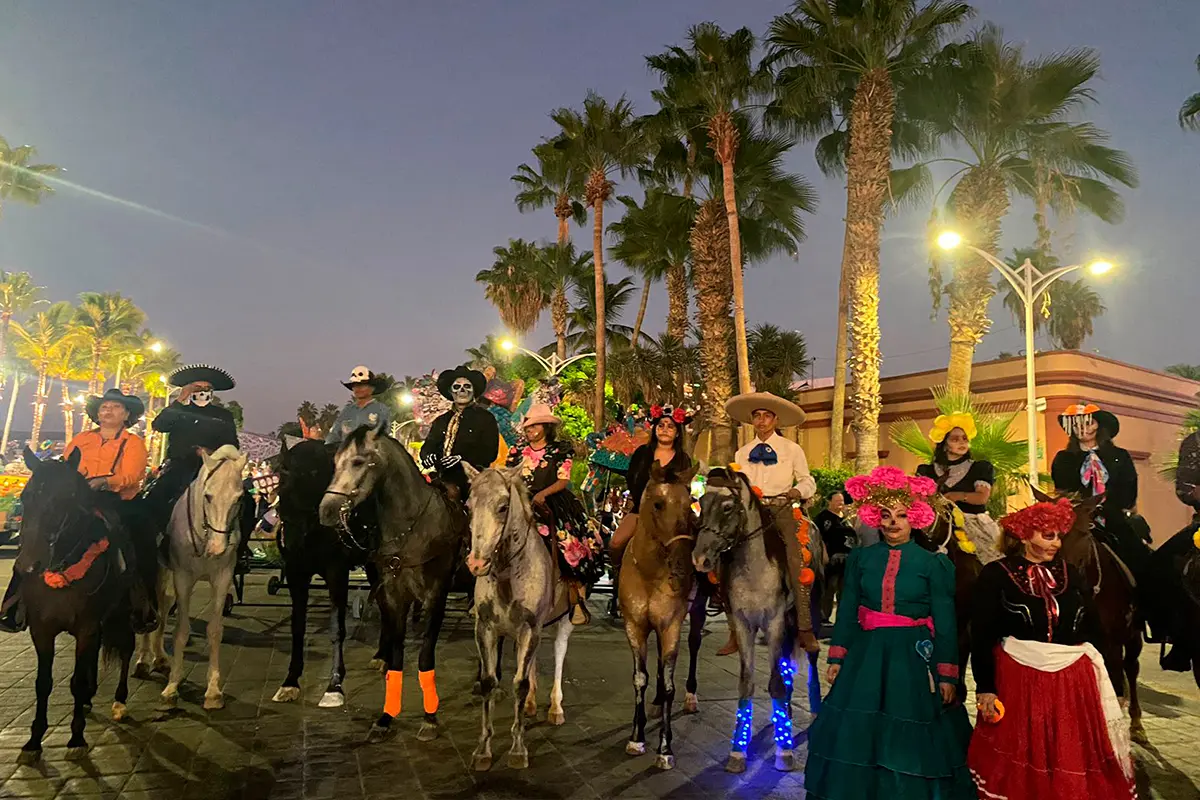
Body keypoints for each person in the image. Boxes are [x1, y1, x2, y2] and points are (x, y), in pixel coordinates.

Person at [804, 465, 974, 799]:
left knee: (913, 732)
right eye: (885, 515)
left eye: (900, 516)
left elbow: (945, 622)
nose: (892, 523)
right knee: (859, 730)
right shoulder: (861, 559)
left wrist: (947, 674)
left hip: (913, 657)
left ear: (915, 520)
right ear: (875, 519)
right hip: (866, 655)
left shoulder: (933, 564)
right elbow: (848, 609)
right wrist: (837, 655)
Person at [969, 498, 1134, 799]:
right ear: (1024, 535)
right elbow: (981, 633)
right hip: (1019, 679)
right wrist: (986, 687)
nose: (1056, 543)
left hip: (1071, 683)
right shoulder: (996, 574)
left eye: (1058, 536)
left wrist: (1115, 678)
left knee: (1069, 750)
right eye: (1048, 535)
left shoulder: (1072, 572)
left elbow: (1095, 628)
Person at [1, 389, 149, 632]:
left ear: (127, 415)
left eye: (115, 407)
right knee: (36, 530)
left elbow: (133, 475)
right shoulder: (81, 440)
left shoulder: (133, 443)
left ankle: (140, 599)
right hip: (79, 499)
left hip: (115, 500)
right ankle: (14, 602)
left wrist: (104, 481)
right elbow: (66, 468)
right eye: (104, 407)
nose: (108, 411)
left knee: (136, 537)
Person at [726, 391, 820, 656]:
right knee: (722, 553)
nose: (762, 420)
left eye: (767, 415)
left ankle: (805, 628)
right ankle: (734, 629)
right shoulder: (742, 453)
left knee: (795, 559)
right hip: (751, 512)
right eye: (757, 415)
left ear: (776, 420)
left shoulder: (792, 449)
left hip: (780, 509)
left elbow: (807, 480)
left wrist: (796, 492)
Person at [505, 404, 603, 624]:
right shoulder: (517, 450)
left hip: (551, 500)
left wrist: (542, 495)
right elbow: (508, 475)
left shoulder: (560, 450)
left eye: (534, 425)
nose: (529, 430)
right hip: (520, 499)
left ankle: (575, 597)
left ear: (546, 427)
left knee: (567, 542)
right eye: (528, 426)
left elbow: (563, 480)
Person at [142, 363, 254, 552]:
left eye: (206, 389)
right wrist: (180, 399)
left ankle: (240, 548)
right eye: (197, 388)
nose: (202, 392)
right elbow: (159, 425)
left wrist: (212, 452)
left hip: (214, 467)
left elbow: (233, 443)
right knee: (156, 496)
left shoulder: (223, 415)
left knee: (246, 503)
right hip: (181, 466)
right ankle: (156, 543)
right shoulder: (179, 411)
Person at [1050, 403, 1150, 585]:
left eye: (1088, 423)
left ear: (1099, 426)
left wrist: (1106, 507)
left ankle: (1145, 603)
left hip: (1112, 518)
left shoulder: (1120, 455)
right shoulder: (1063, 459)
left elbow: (1128, 491)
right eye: (1076, 424)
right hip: (1076, 521)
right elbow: (1063, 492)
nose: (1082, 429)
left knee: (1140, 559)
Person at [916, 412, 1004, 564]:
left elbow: (981, 497)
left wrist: (955, 496)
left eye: (964, 438)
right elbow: (919, 500)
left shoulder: (979, 467)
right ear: (944, 444)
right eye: (955, 439)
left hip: (971, 522)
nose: (961, 443)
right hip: (935, 523)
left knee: (991, 561)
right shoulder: (926, 471)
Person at [608, 405, 693, 561]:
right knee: (615, 542)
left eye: (670, 426)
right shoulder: (642, 453)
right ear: (655, 429)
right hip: (641, 510)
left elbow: (685, 485)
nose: (665, 429)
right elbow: (631, 477)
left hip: (671, 513)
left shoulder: (683, 458)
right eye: (661, 426)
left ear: (677, 433)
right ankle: (618, 575)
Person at [1150, 429, 1200, 671]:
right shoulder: (1196, 441)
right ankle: (1177, 638)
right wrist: (1194, 492)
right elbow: (1184, 486)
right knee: (1159, 564)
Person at [420, 365, 499, 502]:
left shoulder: (486, 418)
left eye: (467, 386)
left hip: (474, 480)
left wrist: (461, 459)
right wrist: (427, 457)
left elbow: (490, 453)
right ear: (451, 392)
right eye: (457, 387)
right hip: (441, 477)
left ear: (473, 391)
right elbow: (428, 446)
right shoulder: (440, 421)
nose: (462, 390)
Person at [815, 488, 856, 624]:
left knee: (844, 591)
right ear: (829, 502)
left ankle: (842, 619)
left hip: (847, 559)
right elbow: (818, 538)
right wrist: (824, 554)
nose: (840, 503)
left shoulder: (845, 518)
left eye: (842, 501)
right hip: (832, 559)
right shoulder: (823, 518)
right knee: (829, 588)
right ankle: (823, 617)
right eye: (837, 501)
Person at [326, 366, 392, 446]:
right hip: (346, 454)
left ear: (372, 388)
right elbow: (334, 435)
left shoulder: (381, 409)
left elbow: (384, 436)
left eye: (362, 385)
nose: (358, 388)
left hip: (370, 455)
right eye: (355, 385)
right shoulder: (347, 411)